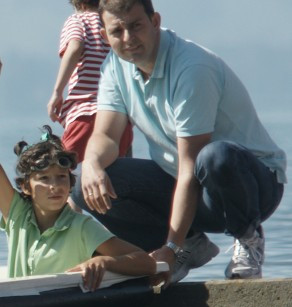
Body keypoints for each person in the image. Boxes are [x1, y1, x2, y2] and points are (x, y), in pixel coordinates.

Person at [75, 0, 286, 283]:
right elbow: (106, 136)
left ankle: (247, 238)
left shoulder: (192, 67)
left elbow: (191, 166)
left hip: (252, 186)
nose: (128, 38)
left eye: (136, 26)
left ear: (155, 21)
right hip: (186, 186)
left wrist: (171, 247)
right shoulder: (114, 66)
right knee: (82, 186)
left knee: (214, 157)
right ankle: (191, 244)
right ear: (105, 36)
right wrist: (91, 164)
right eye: (118, 31)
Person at [0, 40, 156, 291]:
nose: (55, 186)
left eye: (61, 177)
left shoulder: (81, 227)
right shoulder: (17, 216)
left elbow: (146, 263)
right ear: (26, 187)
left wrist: (104, 261)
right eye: (44, 179)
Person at [47, 0, 132, 162]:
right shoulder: (114, 28)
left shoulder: (78, 20)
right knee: (112, 179)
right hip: (119, 118)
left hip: (87, 113)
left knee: (66, 173)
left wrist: (57, 92)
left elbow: (75, 46)